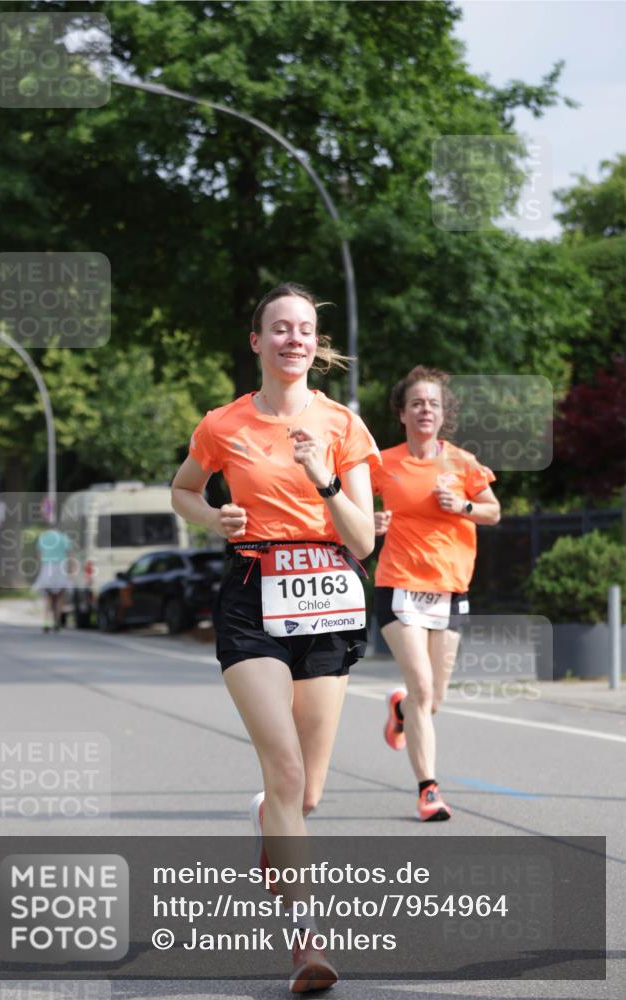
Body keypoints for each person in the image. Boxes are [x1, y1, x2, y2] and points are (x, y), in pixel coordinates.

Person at [171, 282, 379, 992]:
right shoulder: (222, 424)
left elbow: (362, 539)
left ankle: (270, 817)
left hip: (328, 599)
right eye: (280, 328)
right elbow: (184, 489)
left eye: (305, 329)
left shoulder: (343, 425)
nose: (294, 338)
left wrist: (325, 480)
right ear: (257, 341)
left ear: (315, 346)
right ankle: (305, 942)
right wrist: (212, 518)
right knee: (285, 770)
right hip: (251, 596)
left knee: (305, 793)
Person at [372, 366, 500, 822]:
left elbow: (493, 512)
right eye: (417, 404)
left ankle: (401, 711)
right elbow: (346, 506)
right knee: (422, 687)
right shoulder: (382, 463)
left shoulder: (463, 463)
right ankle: (428, 790)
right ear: (402, 413)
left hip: (450, 588)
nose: (425, 410)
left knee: (433, 699)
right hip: (398, 584)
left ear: (443, 414)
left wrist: (463, 505)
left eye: (433, 404)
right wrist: (369, 521)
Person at [33, 526, 73, 632]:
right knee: (60, 596)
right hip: (61, 568)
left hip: (47, 567)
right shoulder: (64, 537)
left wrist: (40, 568)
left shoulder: (43, 537)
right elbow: (69, 555)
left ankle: (46, 621)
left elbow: (39, 555)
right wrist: (70, 572)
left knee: (48, 597)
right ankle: (57, 622)